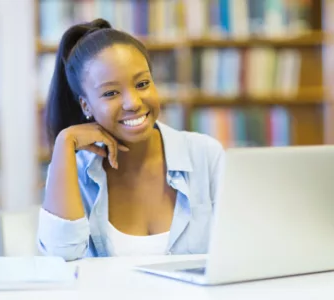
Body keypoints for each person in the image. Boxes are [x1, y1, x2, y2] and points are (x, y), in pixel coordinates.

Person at [37, 18, 225, 261]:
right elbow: (59, 259)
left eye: (142, 84)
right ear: (86, 105)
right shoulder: (72, 169)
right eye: (111, 93)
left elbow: (243, 243)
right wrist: (66, 140)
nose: (133, 103)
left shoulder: (204, 154)